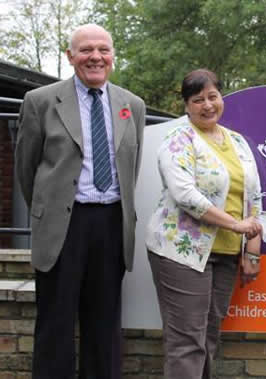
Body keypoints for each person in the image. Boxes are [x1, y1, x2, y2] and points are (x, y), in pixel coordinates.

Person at [15, 24, 145, 378]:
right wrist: (49, 210)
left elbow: (130, 169)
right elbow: (27, 169)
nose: (95, 57)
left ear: (113, 56)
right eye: (86, 50)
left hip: (111, 224)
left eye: (103, 49)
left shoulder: (132, 105)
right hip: (63, 225)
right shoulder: (40, 101)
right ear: (70, 56)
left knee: (103, 325)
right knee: (55, 323)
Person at [145, 68, 263, 378]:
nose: (208, 105)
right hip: (181, 252)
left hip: (225, 254)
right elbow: (185, 195)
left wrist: (251, 251)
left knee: (209, 337)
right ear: (186, 105)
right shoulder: (177, 141)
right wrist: (233, 225)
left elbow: (254, 198)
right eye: (198, 100)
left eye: (213, 97)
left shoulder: (236, 141)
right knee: (187, 341)